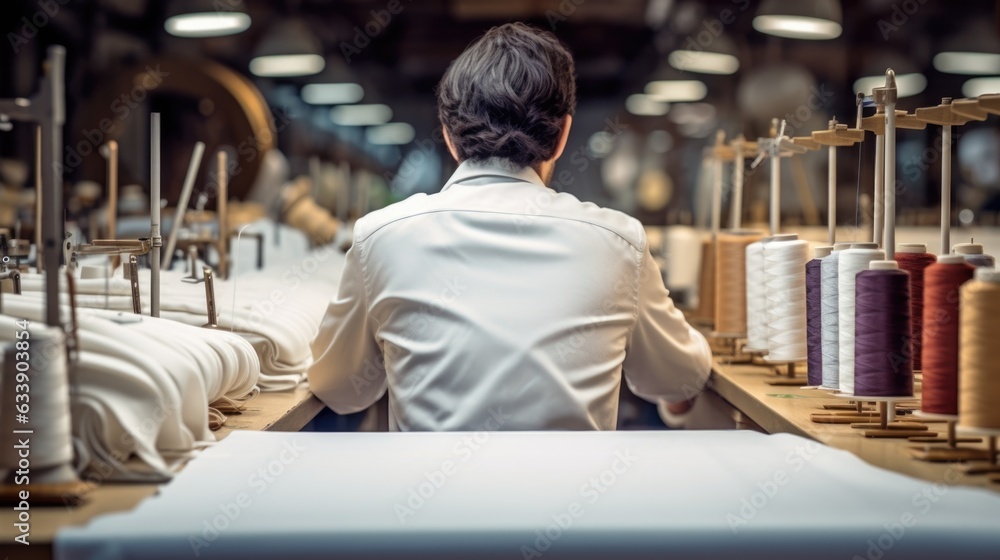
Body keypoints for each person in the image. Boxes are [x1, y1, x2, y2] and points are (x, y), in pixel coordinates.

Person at [308, 22, 711, 430]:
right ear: (562, 136)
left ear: (449, 137)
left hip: (429, 494)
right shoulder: (620, 243)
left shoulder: (380, 238)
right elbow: (679, 379)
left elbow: (341, 391)